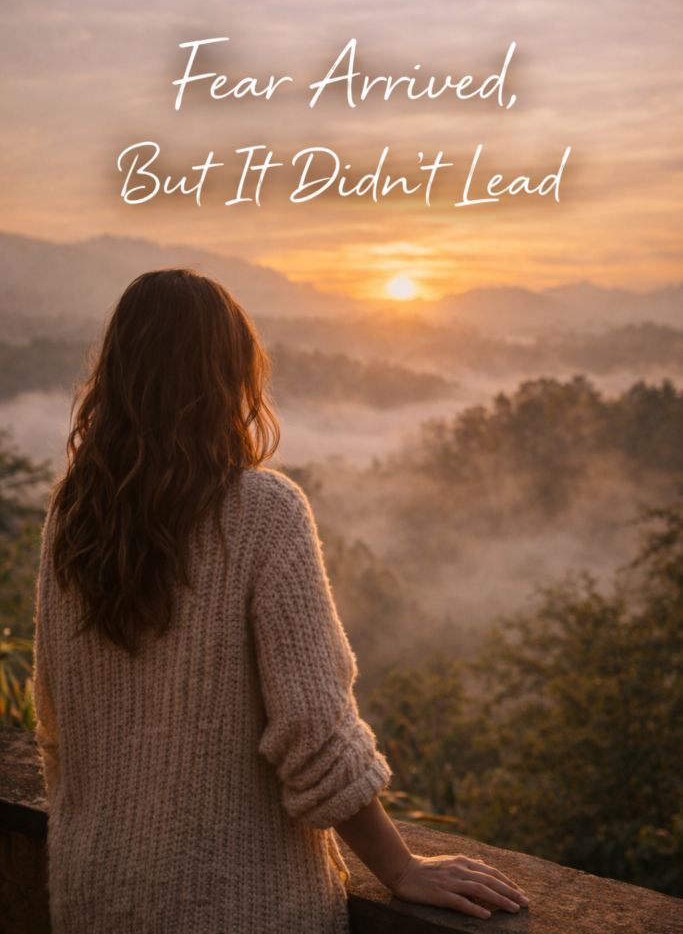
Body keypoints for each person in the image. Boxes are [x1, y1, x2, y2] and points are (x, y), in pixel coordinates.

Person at [34, 269, 529, 934]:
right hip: (235, 906)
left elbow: (55, 721)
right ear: (229, 375)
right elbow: (313, 732)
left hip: (92, 896)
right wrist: (401, 868)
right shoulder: (262, 512)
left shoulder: (71, 516)